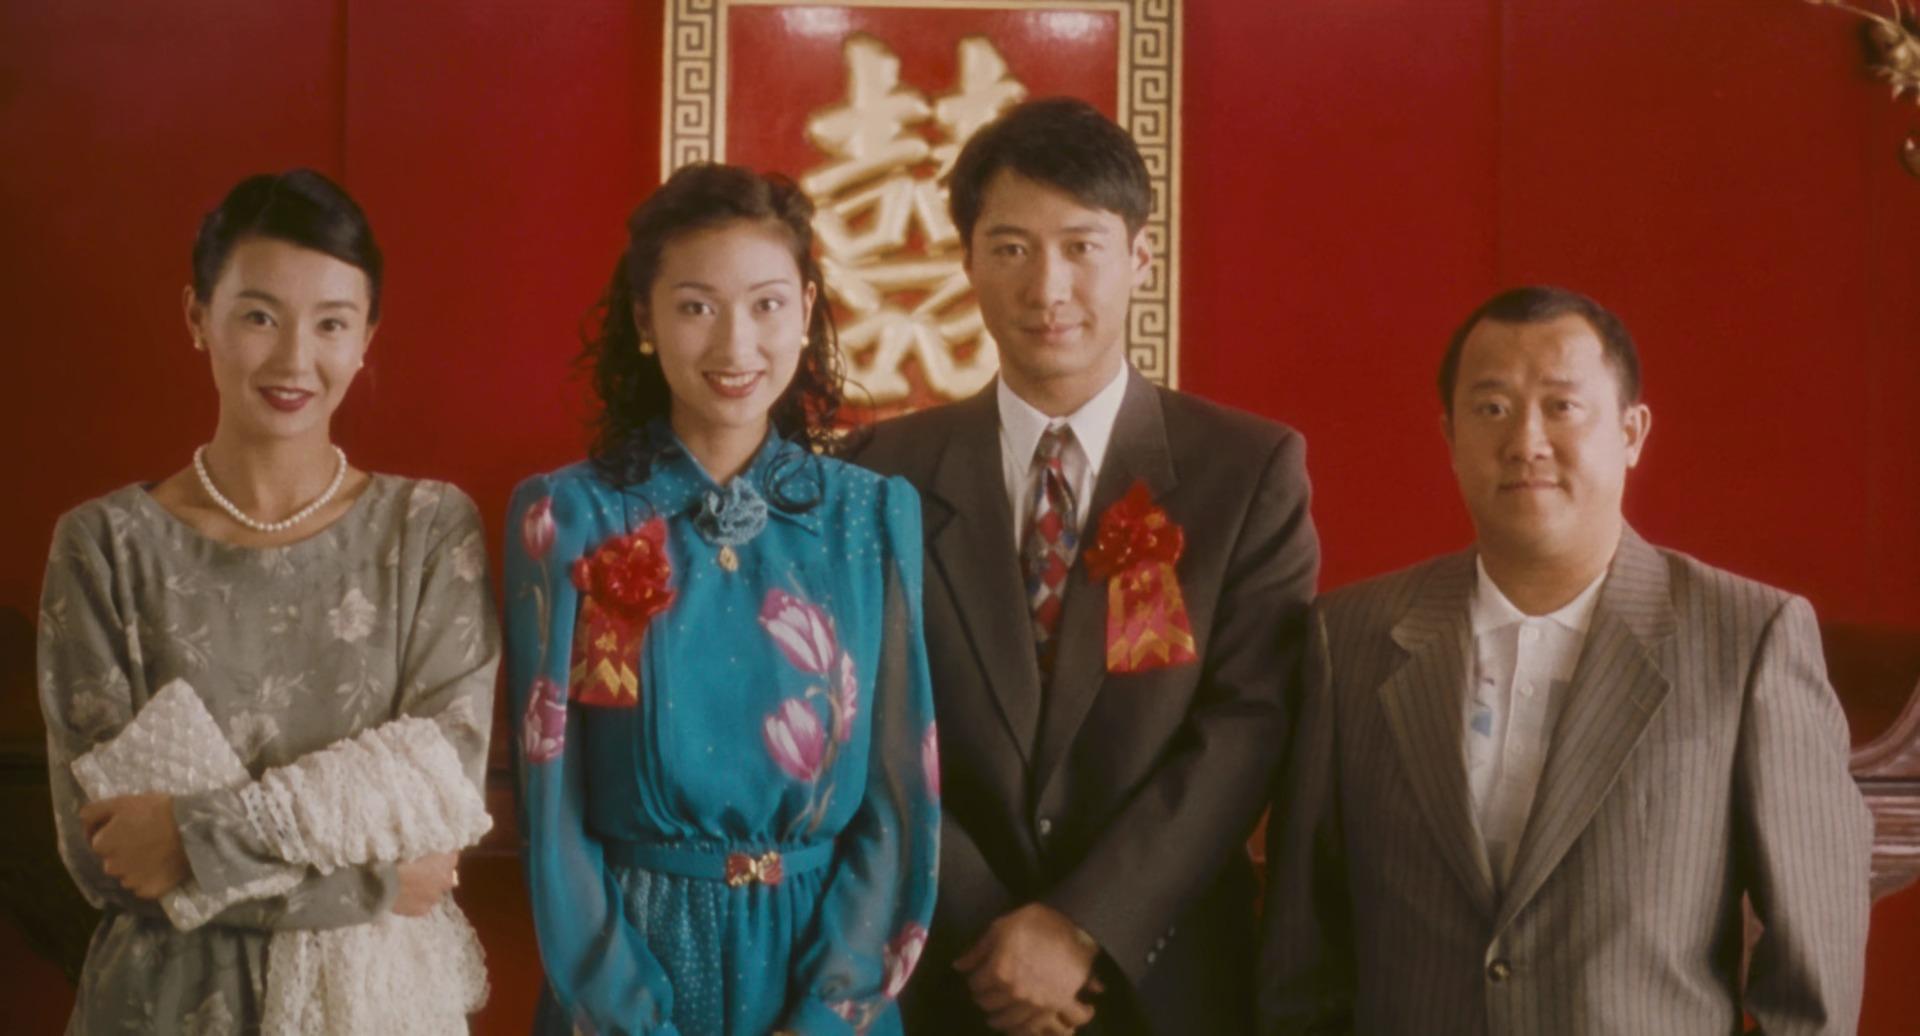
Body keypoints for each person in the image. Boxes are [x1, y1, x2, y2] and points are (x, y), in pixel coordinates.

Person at [1258, 285, 1873, 1034]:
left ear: (1632, 432)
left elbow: (1813, 982)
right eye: (1491, 408)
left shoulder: (1749, 639)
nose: (1526, 441)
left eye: (1562, 406)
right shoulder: (1351, 638)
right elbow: (1301, 956)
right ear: (1449, 436)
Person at [856, 98, 1319, 1036]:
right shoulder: (877, 472)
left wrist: (1082, 927)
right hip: (949, 973)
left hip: (1160, 979)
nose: (1048, 287)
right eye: (1012, 248)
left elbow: (1248, 725)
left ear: (1140, 258)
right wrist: (991, 933)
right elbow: (864, 721)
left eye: (1081, 247)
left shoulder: (1248, 470)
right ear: (967, 262)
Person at [36, 168, 499, 1033]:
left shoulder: (427, 532)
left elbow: (439, 795)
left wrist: (188, 838)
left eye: (331, 323)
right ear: (196, 318)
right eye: (259, 316)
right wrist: (376, 883)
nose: (294, 360)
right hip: (162, 1006)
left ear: (367, 339)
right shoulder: (105, 547)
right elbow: (109, 860)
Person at [505, 162, 939, 1036]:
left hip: (826, 968)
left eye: (767, 305)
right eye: (697, 307)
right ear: (644, 318)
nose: (737, 346)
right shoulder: (568, 516)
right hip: (629, 972)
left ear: (806, 311)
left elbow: (899, 802)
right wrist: (631, 1020)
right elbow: (551, 814)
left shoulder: (870, 516)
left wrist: (829, 1014)